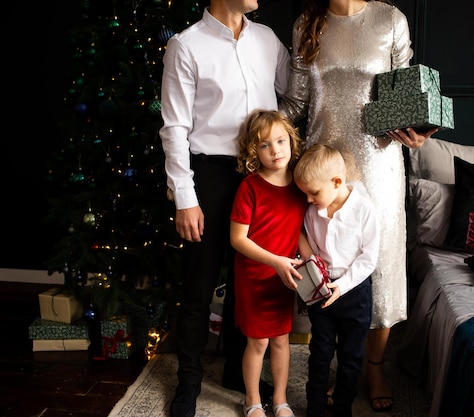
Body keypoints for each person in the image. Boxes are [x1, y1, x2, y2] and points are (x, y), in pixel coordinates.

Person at [279, 0, 438, 412]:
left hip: (379, 165)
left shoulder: (390, 20)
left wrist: (419, 129)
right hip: (321, 167)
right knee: (327, 261)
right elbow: (295, 105)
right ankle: (337, 366)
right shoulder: (306, 24)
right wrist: (258, 130)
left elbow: (409, 99)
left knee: (380, 267)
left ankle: (374, 366)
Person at [158, 1, 290, 416]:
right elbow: (175, 127)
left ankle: (237, 370)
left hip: (262, 177)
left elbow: (299, 91)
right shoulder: (186, 45)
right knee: (198, 287)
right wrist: (185, 197)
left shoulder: (268, 40)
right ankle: (189, 384)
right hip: (210, 177)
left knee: (248, 281)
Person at [293, 143, 380, 417]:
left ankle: (343, 407)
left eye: (313, 193)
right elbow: (307, 244)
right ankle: (315, 407)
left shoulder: (364, 210)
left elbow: (368, 258)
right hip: (322, 292)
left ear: (337, 182)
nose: (308, 200)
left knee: (351, 356)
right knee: (320, 352)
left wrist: (341, 286)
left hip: (354, 292)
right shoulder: (312, 212)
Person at [230, 109, 306, 417]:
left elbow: (299, 230)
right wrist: (275, 261)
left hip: (284, 276)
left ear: (291, 140)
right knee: (258, 342)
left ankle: (279, 399)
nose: (275, 150)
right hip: (254, 275)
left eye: (280, 141)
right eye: (264, 145)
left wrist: (311, 260)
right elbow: (238, 239)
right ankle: (252, 399)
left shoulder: (300, 183)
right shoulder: (250, 187)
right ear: (253, 151)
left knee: (281, 340)